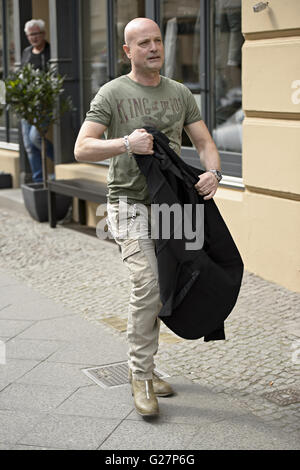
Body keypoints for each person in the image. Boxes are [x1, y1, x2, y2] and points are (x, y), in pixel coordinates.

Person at [74, 18, 222, 417]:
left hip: (171, 205)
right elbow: (81, 149)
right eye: (144, 43)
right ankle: (139, 375)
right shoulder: (112, 93)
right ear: (128, 51)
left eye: (157, 40)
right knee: (148, 283)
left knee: (167, 287)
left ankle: (147, 367)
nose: (154, 48)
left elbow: (205, 142)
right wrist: (126, 143)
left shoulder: (178, 92)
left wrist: (214, 173)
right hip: (126, 204)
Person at [21, 19, 54, 183]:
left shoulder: (51, 52)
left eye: (36, 34)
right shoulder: (26, 52)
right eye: (30, 35)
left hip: (44, 104)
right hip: (26, 105)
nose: (34, 37)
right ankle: (38, 180)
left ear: (43, 34)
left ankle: (58, 159)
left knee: (35, 138)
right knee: (29, 145)